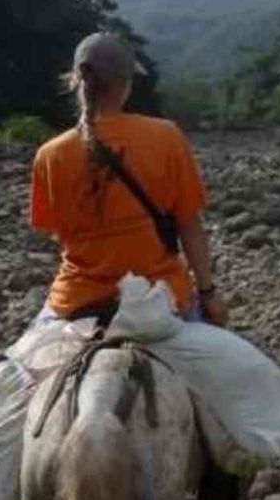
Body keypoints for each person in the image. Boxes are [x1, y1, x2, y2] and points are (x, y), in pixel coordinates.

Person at [28, 32, 227, 327]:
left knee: (23, 366)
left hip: (77, 301)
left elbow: (56, 231)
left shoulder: (49, 154)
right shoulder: (166, 135)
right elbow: (189, 224)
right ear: (127, 85)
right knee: (227, 366)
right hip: (164, 297)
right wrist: (208, 294)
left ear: (76, 80)